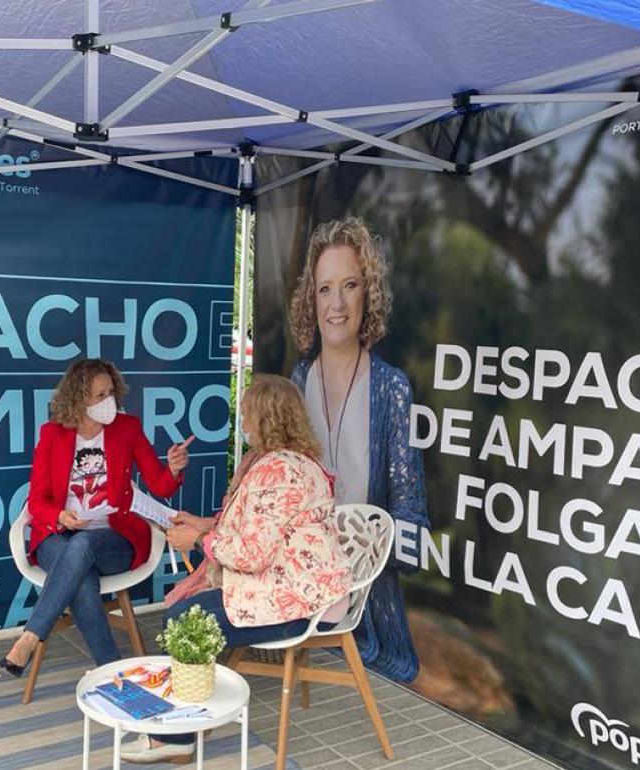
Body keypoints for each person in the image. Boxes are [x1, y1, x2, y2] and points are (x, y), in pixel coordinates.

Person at [122, 375, 353, 764]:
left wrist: (195, 541)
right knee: (186, 614)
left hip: (305, 605)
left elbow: (250, 554)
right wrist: (200, 525)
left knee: (184, 622)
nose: (242, 421)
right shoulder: (292, 462)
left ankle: (176, 736)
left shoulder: (276, 472)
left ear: (266, 418)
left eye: (246, 413)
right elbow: (254, 528)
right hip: (302, 588)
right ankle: (178, 726)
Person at [288, 216, 429, 682]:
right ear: (312, 297)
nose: (337, 303)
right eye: (325, 288)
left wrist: (360, 553)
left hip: (367, 608)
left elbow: (410, 517)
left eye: (349, 285)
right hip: (302, 596)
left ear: (367, 294)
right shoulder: (298, 380)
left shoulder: (391, 388)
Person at [0, 358, 192, 674]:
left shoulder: (127, 428)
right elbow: (37, 500)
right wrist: (60, 515)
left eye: (110, 392)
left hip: (114, 538)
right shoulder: (52, 434)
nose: (109, 401)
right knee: (81, 576)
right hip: (58, 535)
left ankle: (30, 637)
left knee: (84, 546)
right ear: (78, 399)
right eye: (99, 396)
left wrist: (172, 468)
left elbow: (159, 484)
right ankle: (114, 672)